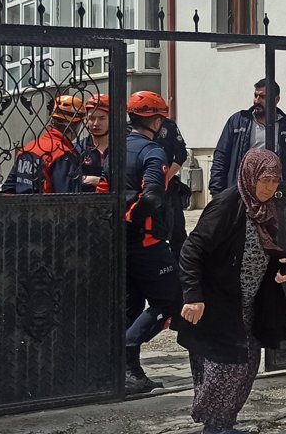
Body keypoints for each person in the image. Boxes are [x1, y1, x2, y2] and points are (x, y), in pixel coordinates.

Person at [177, 148, 286, 434]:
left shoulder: (267, 209)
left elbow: (272, 249)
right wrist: (193, 296)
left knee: (248, 367)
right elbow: (192, 250)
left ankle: (224, 425)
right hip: (219, 304)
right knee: (225, 368)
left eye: (275, 181)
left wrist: (282, 266)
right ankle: (213, 425)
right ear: (250, 176)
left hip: (251, 303)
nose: (269, 187)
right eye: (264, 180)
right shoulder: (227, 205)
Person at [117, 90, 184, 394]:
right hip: (147, 242)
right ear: (156, 121)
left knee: (131, 305)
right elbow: (153, 195)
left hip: (120, 242)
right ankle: (127, 350)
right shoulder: (152, 152)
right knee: (170, 300)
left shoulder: (117, 150)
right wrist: (134, 216)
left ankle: (126, 371)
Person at [210, 79, 286, 196]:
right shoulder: (238, 122)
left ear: (276, 100)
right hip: (242, 193)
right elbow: (221, 157)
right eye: (255, 95)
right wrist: (217, 193)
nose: (257, 100)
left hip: (276, 193)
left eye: (262, 97)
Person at [1, 95, 85, 195]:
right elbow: (66, 197)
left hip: (20, 204)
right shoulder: (62, 153)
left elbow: (8, 189)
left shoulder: (29, 147)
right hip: (45, 205)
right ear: (75, 124)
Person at [155, 115, 191, 260]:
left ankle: (181, 267)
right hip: (141, 187)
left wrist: (166, 177)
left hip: (167, 187)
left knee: (177, 231)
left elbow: (181, 154)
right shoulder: (129, 127)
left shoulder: (168, 125)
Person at [78, 94, 111, 192]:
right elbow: (68, 178)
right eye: (92, 118)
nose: (96, 123)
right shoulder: (78, 149)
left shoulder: (123, 149)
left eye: (102, 118)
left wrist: (95, 181)